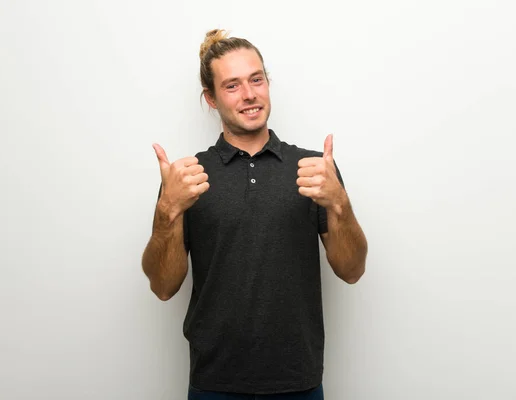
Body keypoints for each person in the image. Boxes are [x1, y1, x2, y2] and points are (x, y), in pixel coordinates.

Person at [141, 29, 368, 400]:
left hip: (299, 381)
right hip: (214, 383)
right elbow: (163, 287)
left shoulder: (314, 169)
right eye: (232, 86)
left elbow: (353, 269)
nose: (249, 94)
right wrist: (168, 209)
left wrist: (338, 203)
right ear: (211, 98)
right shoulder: (187, 179)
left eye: (256, 79)